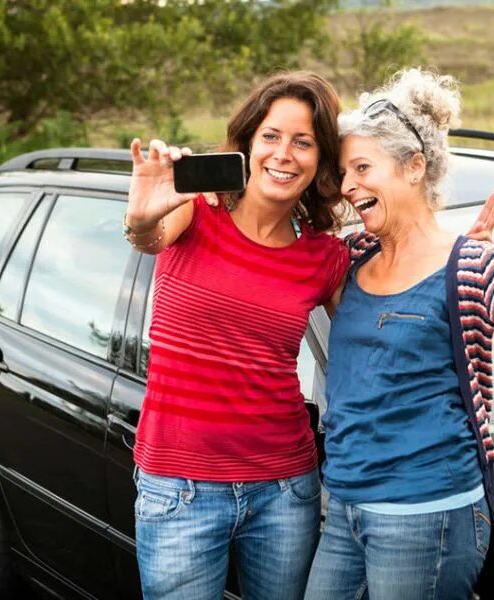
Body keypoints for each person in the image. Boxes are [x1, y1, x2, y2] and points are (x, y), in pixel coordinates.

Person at [304, 69, 494, 599]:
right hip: (345, 507)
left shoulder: (472, 265)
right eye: (343, 173)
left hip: (426, 516)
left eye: (363, 168)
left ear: (414, 166)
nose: (349, 185)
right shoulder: (349, 259)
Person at [122, 72, 350, 600]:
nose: (284, 154)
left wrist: (450, 259)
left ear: (320, 161)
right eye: (271, 136)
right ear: (248, 140)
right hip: (180, 490)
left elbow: (377, 341)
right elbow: (147, 238)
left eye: (304, 141)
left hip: (286, 489)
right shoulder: (193, 208)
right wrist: (139, 216)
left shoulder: (324, 256)